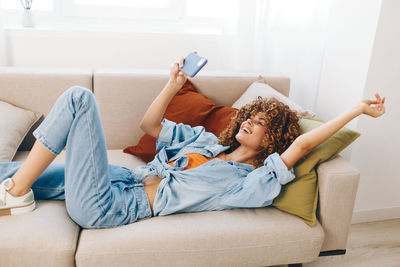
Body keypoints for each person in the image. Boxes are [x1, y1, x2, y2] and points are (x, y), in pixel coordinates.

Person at [0, 56, 386, 228]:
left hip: (111, 205)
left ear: (274, 141)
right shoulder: (206, 141)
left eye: (262, 122)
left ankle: (16, 194)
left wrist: (355, 110)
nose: (251, 121)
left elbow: (301, 148)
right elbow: (149, 124)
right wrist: (173, 84)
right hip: (118, 178)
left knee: (79, 98)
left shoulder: (248, 183)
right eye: (251, 115)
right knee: (13, 169)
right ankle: (15, 188)